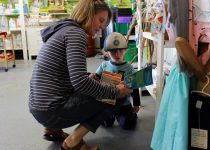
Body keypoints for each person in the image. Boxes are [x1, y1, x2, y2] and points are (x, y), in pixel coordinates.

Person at [28, 0, 133, 150]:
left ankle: (51, 129)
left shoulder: (63, 30)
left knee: (103, 86)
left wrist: (88, 76)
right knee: (118, 93)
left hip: (38, 107)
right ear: (89, 14)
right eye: (101, 20)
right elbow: (80, 82)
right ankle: (74, 141)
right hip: (51, 110)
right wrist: (115, 92)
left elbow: (63, 72)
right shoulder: (77, 34)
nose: (102, 26)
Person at [90, 32, 141, 130]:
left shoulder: (130, 68)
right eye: (113, 51)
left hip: (124, 104)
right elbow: (96, 77)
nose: (117, 54)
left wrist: (136, 104)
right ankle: (111, 116)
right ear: (107, 52)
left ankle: (129, 115)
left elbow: (135, 87)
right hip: (107, 103)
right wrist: (93, 76)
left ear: (125, 50)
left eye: (120, 50)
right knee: (105, 124)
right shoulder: (104, 65)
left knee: (128, 125)